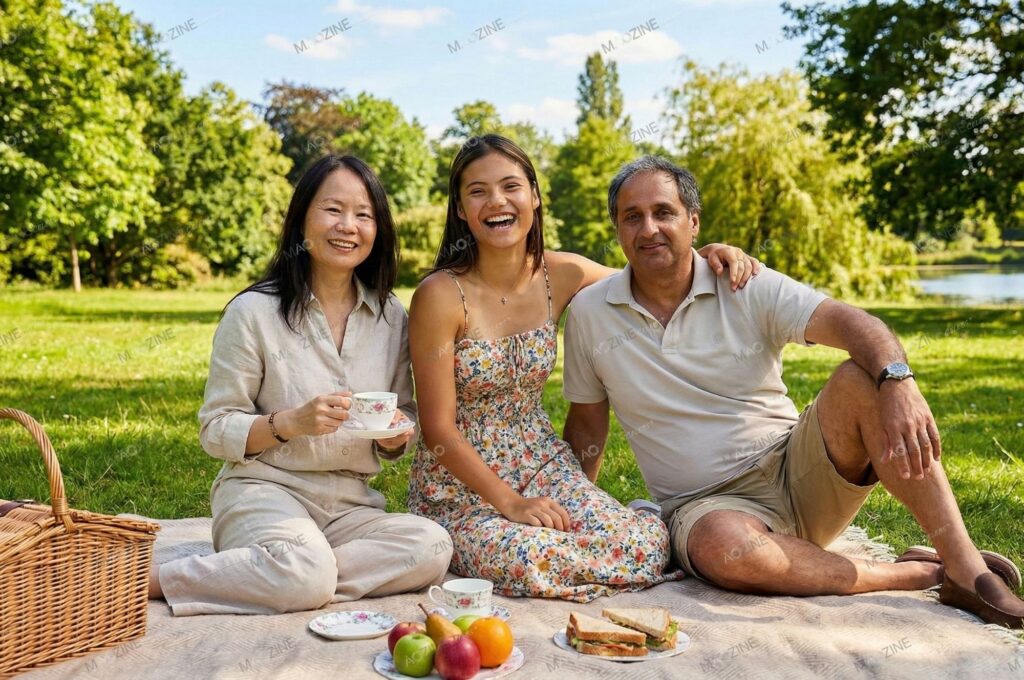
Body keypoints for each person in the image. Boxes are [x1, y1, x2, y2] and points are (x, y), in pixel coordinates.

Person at [562, 155, 1024, 627]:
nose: (649, 229)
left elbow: (853, 323)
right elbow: (586, 426)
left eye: (664, 212)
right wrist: (574, 517)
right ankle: (912, 575)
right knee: (723, 548)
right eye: (632, 217)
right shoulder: (590, 314)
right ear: (617, 229)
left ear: (693, 222)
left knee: (862, 379)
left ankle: (967, 572)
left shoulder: (743, 282)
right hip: (706, 507)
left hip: (798, 470)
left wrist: (899, 381)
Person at [407, 135, 759, 602]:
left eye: (511, 186)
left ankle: (623, 525)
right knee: (530, 556)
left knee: (647, 544)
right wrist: (510, 503)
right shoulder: (440, 294)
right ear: (460, 208)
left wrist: (709, 251)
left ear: (533, 196)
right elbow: (437, 429)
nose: (496, 201)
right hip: (460, 488)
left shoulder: (562, 275)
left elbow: (651, 272)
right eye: (478, 191)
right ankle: (558, 544)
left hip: (544, 465)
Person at [149, 155, 452, 616]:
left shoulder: (392, 317)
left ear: (378, 229)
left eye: (364, 215)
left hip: (349, 505)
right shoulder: (252, 313)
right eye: (333, 209)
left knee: (431, 546)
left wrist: (396, 436)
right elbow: (215, 430)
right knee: (304, 569)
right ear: (302, 220)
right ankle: (154, 578)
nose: (348, 226)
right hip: (264, 491)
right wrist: (289, 423)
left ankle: (282, 575)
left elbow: (402, 414)